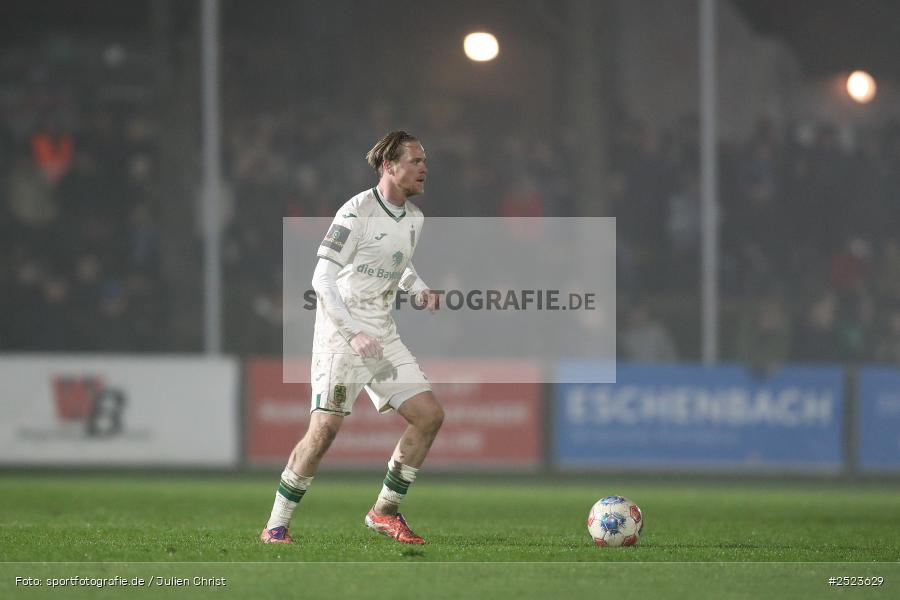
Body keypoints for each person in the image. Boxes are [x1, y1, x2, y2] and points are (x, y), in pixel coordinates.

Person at [260, 131, 443, 545]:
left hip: (382, 333)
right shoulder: (356, 211)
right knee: (324, 429)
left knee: (429, 415)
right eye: (415, 160)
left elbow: (400, 264)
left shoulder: (414, 218)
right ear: (389, 166)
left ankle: (384, 512)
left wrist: (418, 288)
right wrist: (353, 333)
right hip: (342, 334)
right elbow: (321, 279)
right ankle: (276, 525)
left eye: (424, 161)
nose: (423, 168)